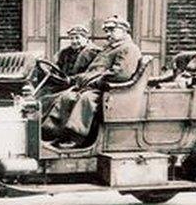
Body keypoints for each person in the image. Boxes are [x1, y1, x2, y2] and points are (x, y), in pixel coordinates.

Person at [41, 17, 141, 148]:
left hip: (110, 91)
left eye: (112, 30)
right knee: (66, 97)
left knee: (86, 99)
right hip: (95, 86)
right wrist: (77, 79)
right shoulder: (111, 48)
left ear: (124, 31)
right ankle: (55, 133)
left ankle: (76, 137)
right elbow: (94, 70)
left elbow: (120, 74)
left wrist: (94, 81)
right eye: (106, 31)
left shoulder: (128, 48)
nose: (108, 34)